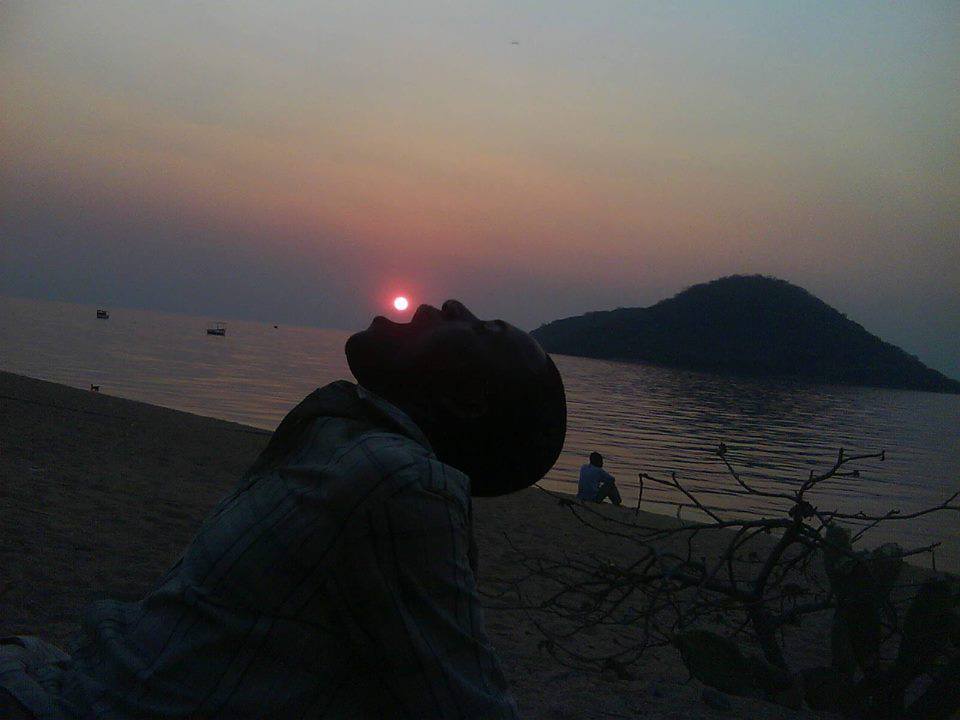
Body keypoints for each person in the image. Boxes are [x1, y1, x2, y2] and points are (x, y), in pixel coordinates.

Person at [0, 300, 567, 719]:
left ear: (466, 399)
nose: (445, 305)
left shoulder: (398, 481)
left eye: (481, 329)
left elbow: (468, 703)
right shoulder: (352, 444)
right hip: (71, 681)